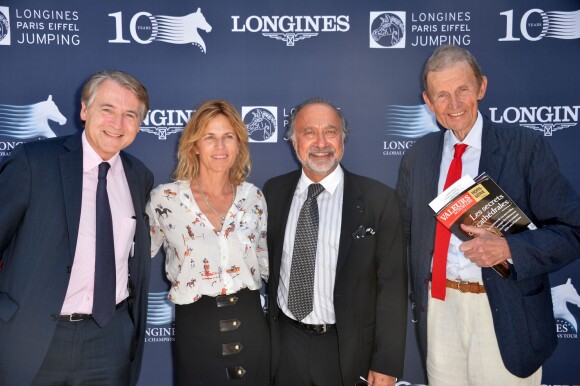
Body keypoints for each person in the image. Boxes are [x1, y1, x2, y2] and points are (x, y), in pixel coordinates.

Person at [396, 44, 580, 386]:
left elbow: (572, 230)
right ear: (428, 101)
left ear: (481, 87)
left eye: (462, 90)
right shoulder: (418, 157)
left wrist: (509, 249)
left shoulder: (525, 147)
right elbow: (404, 237)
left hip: (505, 313)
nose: (453, 105)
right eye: (442, 95)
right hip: (440, 310)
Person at [0, 70, 154, 385]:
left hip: (108, 340)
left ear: (139, 125)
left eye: (130, 115)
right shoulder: (34, 163)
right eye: (107, 109)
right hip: (34, 336)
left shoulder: (139, 176)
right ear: (85, 111)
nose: (117, 123)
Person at [264, 97, 407, 386]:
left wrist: (387, 362)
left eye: (330, 131)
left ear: (343, 140)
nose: (321, 143)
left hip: (348, 350)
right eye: (309, 132)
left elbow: (392, 287)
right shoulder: (273, 192)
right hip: (285, 347)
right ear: (294, 142)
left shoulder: (378, 200)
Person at [146, 99, 269, 385]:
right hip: (197, 330)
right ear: (194, 145)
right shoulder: (165, 199)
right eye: (209, 137)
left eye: (228, 137)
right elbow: (136, 256)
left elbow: (264, 264)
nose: (220, 146)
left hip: (252, 326)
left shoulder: (254, 199)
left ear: (239, 144)